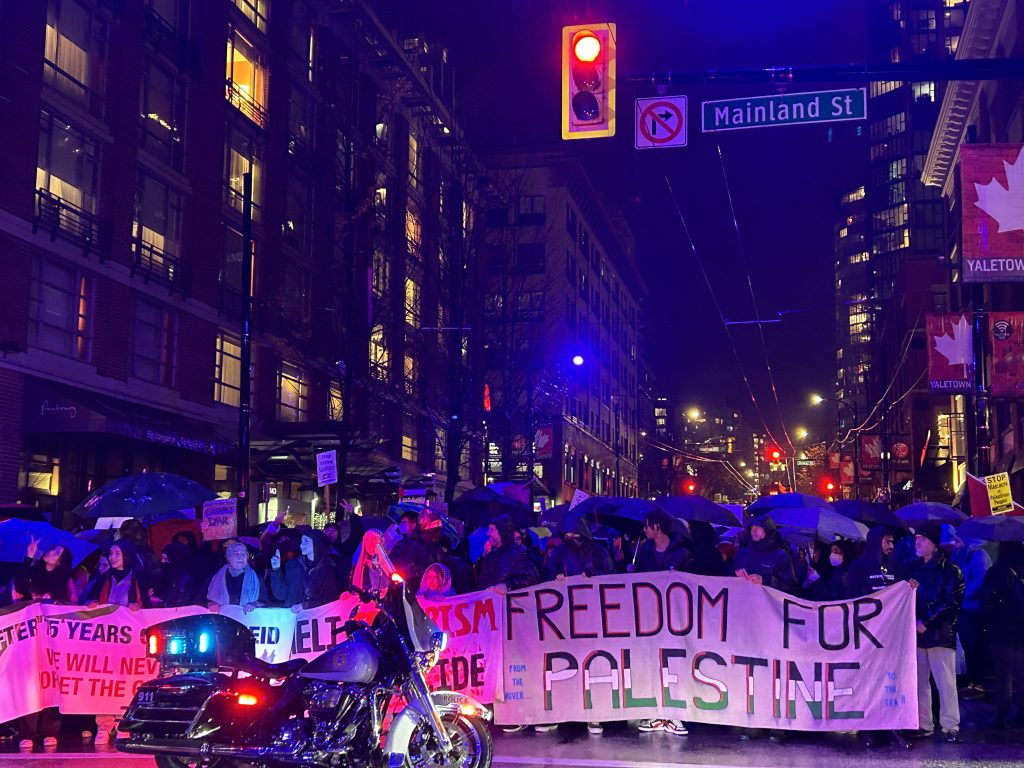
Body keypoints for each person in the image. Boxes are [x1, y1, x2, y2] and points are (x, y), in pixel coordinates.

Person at [631, 509, 691, 737]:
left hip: (677, 619)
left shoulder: (683, 554)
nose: (645, 530)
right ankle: (654, 712)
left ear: (658, 527)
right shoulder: (643, 553)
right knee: (650, 661)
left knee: (675, 662)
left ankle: (675, 714)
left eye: (648, 526)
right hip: (650, 618)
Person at [84, 540, 147, 745]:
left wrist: (139, 605)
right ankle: (103, 724)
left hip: (129, 642)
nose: (112, 557)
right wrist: (91, 604)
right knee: (105, 681)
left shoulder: (139, 579)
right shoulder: (102, 579)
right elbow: (87, 602)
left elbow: (151, 604)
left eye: (117, 553)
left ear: (126, 555)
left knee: (125, 681)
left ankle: (122, 723)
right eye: (110, 553)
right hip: (105, 640)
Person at [907, 522, 965, 743]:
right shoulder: (914, 569)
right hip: (919, 635)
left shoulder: (951, 571)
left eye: (921, 538)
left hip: (940, 635)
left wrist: (926, 621)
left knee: (945, 683)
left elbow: (950, 603)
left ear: (933, 543)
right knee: (920, 682)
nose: (917, 542)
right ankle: (925, 723)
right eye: (916, 538)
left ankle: (950, 725)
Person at [981, 541, 1024, 729]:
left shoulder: (996, 572)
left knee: (1004, 676)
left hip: (1002, 630)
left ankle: (1002, 716)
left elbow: (987, 601)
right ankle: (1022, 716)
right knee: (1022, 675)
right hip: (1021, 629)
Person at [946, 527, 992, 698]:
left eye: (958, 540)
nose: (955, 544)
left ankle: (978, 683)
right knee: (968, 646)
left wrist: (962, 593)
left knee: (974, 646)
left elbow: (980, 581)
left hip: (973, 609)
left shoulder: (977, 555)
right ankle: (973, 681)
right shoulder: (962, 555)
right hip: (964, 608)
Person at [475, 516, 540, 592]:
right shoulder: (491, 555)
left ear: (502, 532)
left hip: (510, 602)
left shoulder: (518, 555)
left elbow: (533, 578)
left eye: (492, 530)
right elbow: (483, 582)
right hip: (491, 601)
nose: (488, 533)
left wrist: (508, 585)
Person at [733, 518, 799, 594]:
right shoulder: (743, 553)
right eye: (752, 528)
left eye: (758, 528)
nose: (754, 531)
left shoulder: (782, 556)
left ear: (768, 530)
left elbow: (791, 588)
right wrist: (735, 572)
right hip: (744, 601)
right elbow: (726, 578)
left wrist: (765, 580)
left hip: (768, 604)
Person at [13, 537, 77, 604]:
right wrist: (29, 556)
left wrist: (50, 597)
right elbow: (19, 586)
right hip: (28, 608)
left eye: (57, 553)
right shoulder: (35, 570)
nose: (51, 552)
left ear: (60, 562)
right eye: (52, 549)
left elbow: (63, 600)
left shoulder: (61, 581)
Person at [206, 541, 265, 613]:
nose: (241, 557)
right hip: (221, 620)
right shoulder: (215, 577)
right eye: (236, 554)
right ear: (228, 558)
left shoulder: (257, 579)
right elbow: (200, 600)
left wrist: (255, 604)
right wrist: (211, 604)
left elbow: (266, 602)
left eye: (244, 554)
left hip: (247, 620)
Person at [846, 526, 901, 596]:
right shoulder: (858, 566)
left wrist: (911, 584)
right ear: (876, 542)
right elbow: (852, 595)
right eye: (887, 541)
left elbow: (902, 587)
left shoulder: (894, 565)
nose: (891, 546)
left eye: (892, 542)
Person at [296, 530, 341, 610]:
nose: (301, 545)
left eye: (306, 542)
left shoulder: (328, 567)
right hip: (298, 615)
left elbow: (330, 597)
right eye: (301, 542)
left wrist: (305, 605)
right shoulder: (298, 565)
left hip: (319, 616)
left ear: (316, 543)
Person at [266, 536, 304, 608]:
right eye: (281, 541)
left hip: (296, 611)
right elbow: (281, 594)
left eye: (286, 541)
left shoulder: (295, 565)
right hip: (285, 610)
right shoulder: (281, 564)